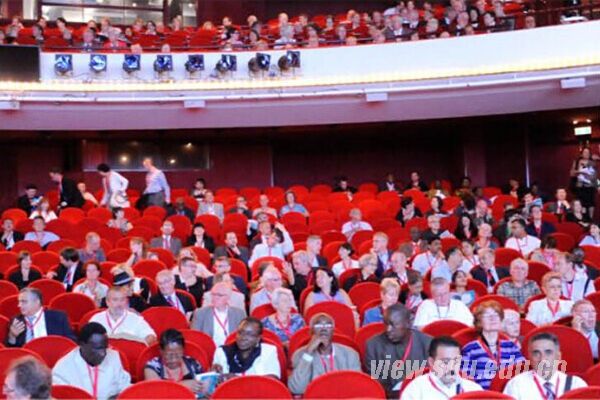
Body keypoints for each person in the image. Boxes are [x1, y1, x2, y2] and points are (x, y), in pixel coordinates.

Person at [365, 304, 432, 397]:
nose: (388, 329)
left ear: (408, 323)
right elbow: (376, 383)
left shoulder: (428, 343)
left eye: (394, 325)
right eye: (386, 324)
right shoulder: (373, 345)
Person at [53, 322, 131, 399]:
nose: (103, 353)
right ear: (82, 344)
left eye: (105, 347)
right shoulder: (62, 369)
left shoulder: (114, 357)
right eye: (98, 348)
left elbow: (125, 389)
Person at [288, 313, 361, 395]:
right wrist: (309, 352)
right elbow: (297, 389)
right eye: (318, 326)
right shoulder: (300, 355)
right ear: (311, 332)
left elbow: (359, 385)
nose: (323, 329)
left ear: (333, 331)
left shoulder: (350, 354)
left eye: (328, 325)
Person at [461, 301, 525, 389]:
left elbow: (522, 373)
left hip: (508, 393)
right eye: (487, 315)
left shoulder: (511, 346)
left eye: (496, 315)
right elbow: (467, 380)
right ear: (479, 322)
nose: (493, 318)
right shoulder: (469, 349)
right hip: (482, 394)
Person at [503, 332, 588, 398]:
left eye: (548, 352)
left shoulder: (576, 384)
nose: (542, 359)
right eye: (536, 353)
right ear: (529, 357)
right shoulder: (516, 385)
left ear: (558, 357)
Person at [401, 336, 483, 399]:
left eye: (456, 361)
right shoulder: (415, 390)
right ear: (431, 362)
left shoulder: (474, 389)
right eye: (445, 362)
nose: (451, 368)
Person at [144, 329, 209, 396]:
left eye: (178, 355)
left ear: (183, 350)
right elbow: (156, 393)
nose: (174, 359)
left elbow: (204, 390)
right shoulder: (152, 367)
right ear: (161, 351)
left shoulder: (193, 364)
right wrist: (183, 385)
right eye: (169, 355)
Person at [212, 317, 281, 378]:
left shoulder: (268, 351)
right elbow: (216, 382)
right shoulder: (222, 352)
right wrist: (214, 375)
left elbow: (272, 380)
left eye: (249, 334)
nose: (243, 338)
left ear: (258, 338)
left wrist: (237, 380)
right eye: (240, 332)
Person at [5, 288, 75, 347]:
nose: (19, 305)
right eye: (19, 302)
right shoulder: (16, 320)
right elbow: (12, 351)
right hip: (28, 358)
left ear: (37, 302)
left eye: (24, 302)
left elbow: (71, 341)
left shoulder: (58, 317)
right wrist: (12, 336)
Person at [90, 286, 157, 345]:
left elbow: (151, 337)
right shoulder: (96, 319)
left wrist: (140, 344)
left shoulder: (136, 319)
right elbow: (88, 341)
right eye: (115, 300)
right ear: (107, 302)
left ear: (126, 301)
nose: (119, 304)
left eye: (122, 300)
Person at [191, 282, 246, 347]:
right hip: (209, 349)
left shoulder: (239, 314)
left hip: (232, 348)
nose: (215, 298)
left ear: (228, 297)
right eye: (213, 294)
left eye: (219, 295)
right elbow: (195, 338)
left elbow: (244, 337)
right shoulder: (200, 313)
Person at [570, 146, 598, 219]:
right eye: (585, 152)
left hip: (590, 186)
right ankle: (582, 218)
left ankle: (590, 219)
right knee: (581, 203)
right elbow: (572, 173)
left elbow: (594, 174)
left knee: (591, 203)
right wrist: (580, 172)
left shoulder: (592, 162)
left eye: (588, 152)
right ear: (581, 154)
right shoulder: (577, 161)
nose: (586, 154)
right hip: (579, 186)